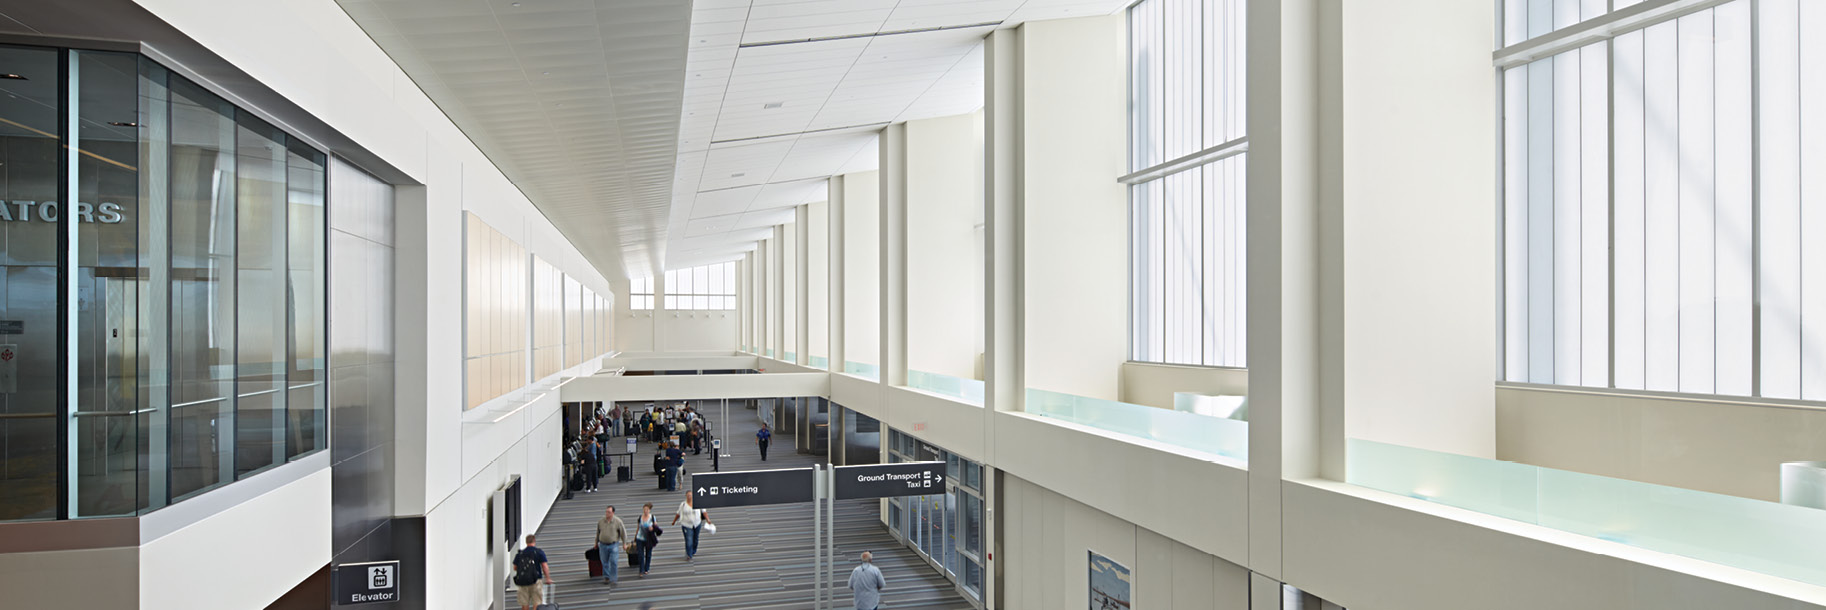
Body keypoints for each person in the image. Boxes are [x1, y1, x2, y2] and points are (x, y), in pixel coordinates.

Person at [513, 535, 552, 610]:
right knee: (537, 602)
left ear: (526, 542)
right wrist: (548, 578)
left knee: (524, 604)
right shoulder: (538, 552)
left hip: (523, 582)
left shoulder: (520, 554)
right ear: (534, 541)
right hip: (536, 581)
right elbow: (544, 566)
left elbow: (515, 568)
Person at [669, 490, 710, 561]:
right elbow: (678, 513)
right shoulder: (683, 504)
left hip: (697, 523)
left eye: (690, 495)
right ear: (686, 496)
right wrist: (674, 521)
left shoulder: (698, 502)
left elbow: (704, 512)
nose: (689, 497)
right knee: (689, 540)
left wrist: (708, 520)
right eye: (688, 495)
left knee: (695, 538)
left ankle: (693, 550)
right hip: (686, 524)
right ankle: (689, 554)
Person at [596, 505, 626, 587]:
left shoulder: (617, 521)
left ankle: (613, 578)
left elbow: (623, 533)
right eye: (606, 512)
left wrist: (624, 543)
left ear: (613, 513)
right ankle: (606, 577)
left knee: (613, 561)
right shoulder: (601, 521)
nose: (607, 513)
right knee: (604, 562)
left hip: (613, 544)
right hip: (602, 544)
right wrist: (596, 543)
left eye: (609, 512)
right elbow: (598, 532)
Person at [635, 503, 661, 577]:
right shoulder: (640, 517)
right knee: (640, 554)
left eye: (647, 510)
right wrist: (635, 537)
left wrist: (652, 528)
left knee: (648, 554)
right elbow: (638, 528)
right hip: (640, 538)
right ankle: (641, 570)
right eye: (644, 509)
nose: (645, 511)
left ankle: (647, 568)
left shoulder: (652, 517)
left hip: (648, 539)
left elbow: (656, 527)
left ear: (649, 510)